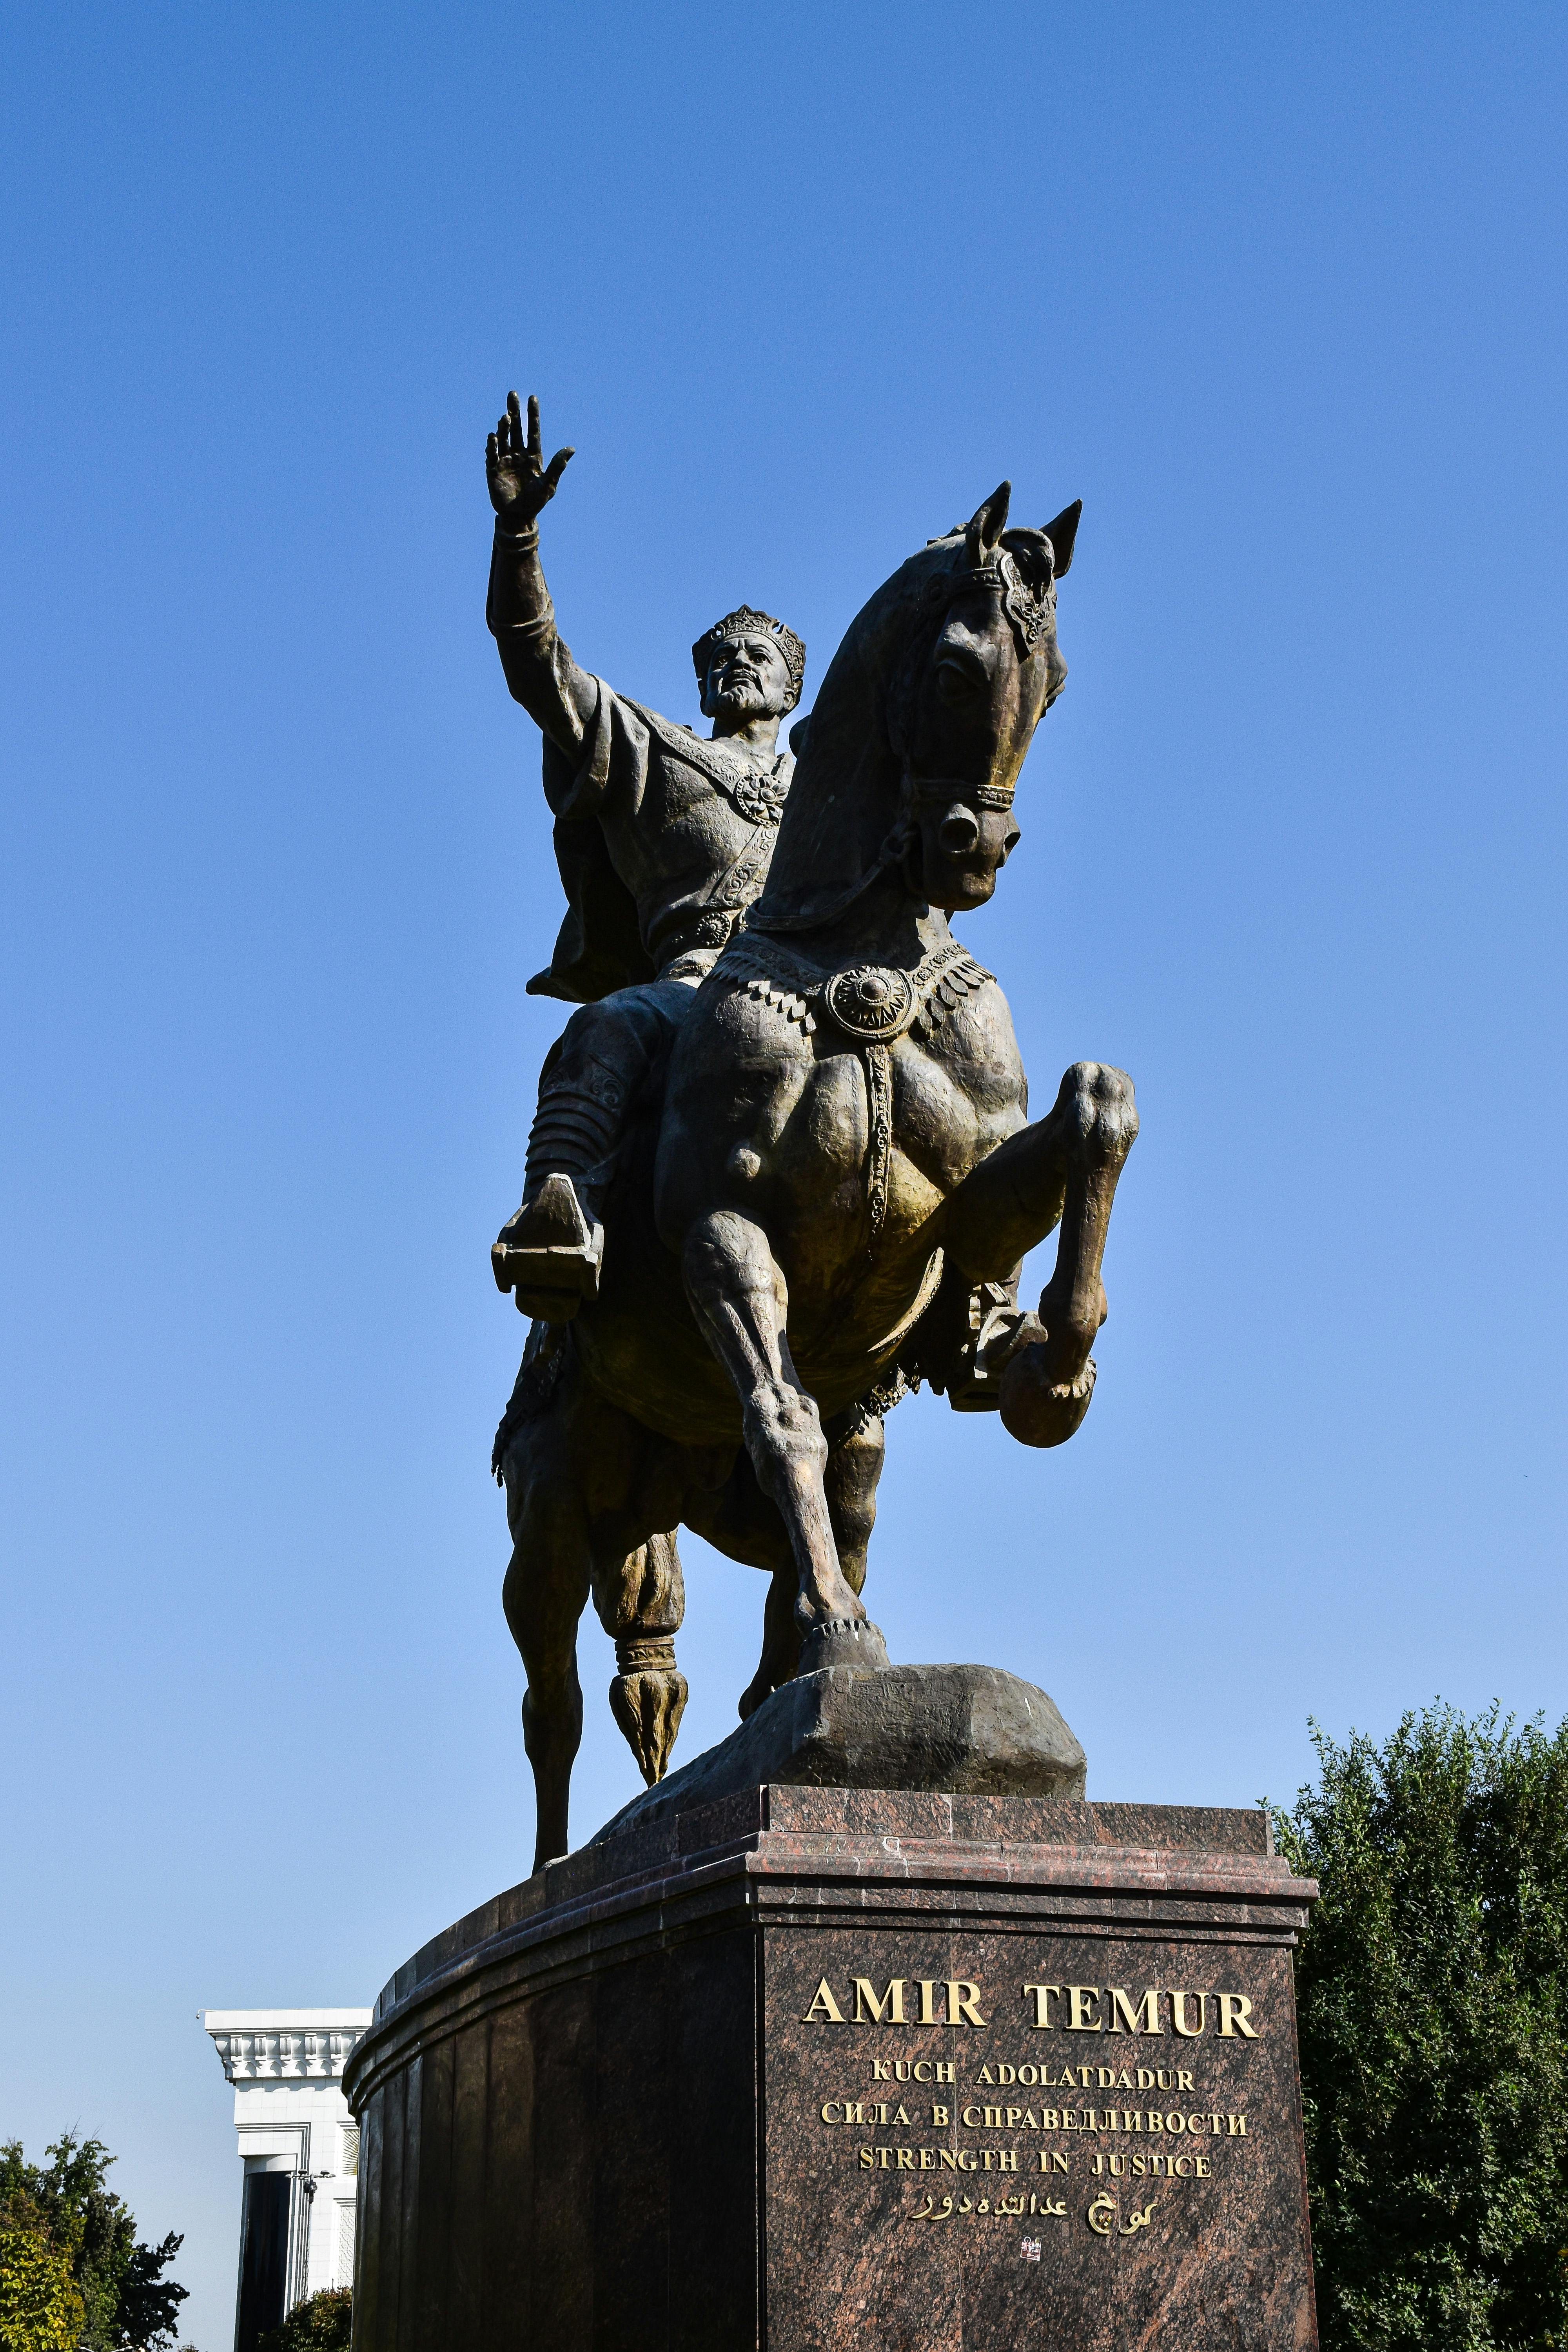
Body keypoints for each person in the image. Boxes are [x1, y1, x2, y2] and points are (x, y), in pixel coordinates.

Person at [485, 392, 805, 1321]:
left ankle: (986, 1297)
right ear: (703, 682)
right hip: (698, 982)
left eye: (760, 656)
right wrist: (518, 537)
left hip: (825, 981)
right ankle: (564, 1208)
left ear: (793, 688)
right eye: (724, 656)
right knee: (608, 1024)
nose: (740, 662)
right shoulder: (650, 749)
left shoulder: (831, 782)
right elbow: (535, 664)